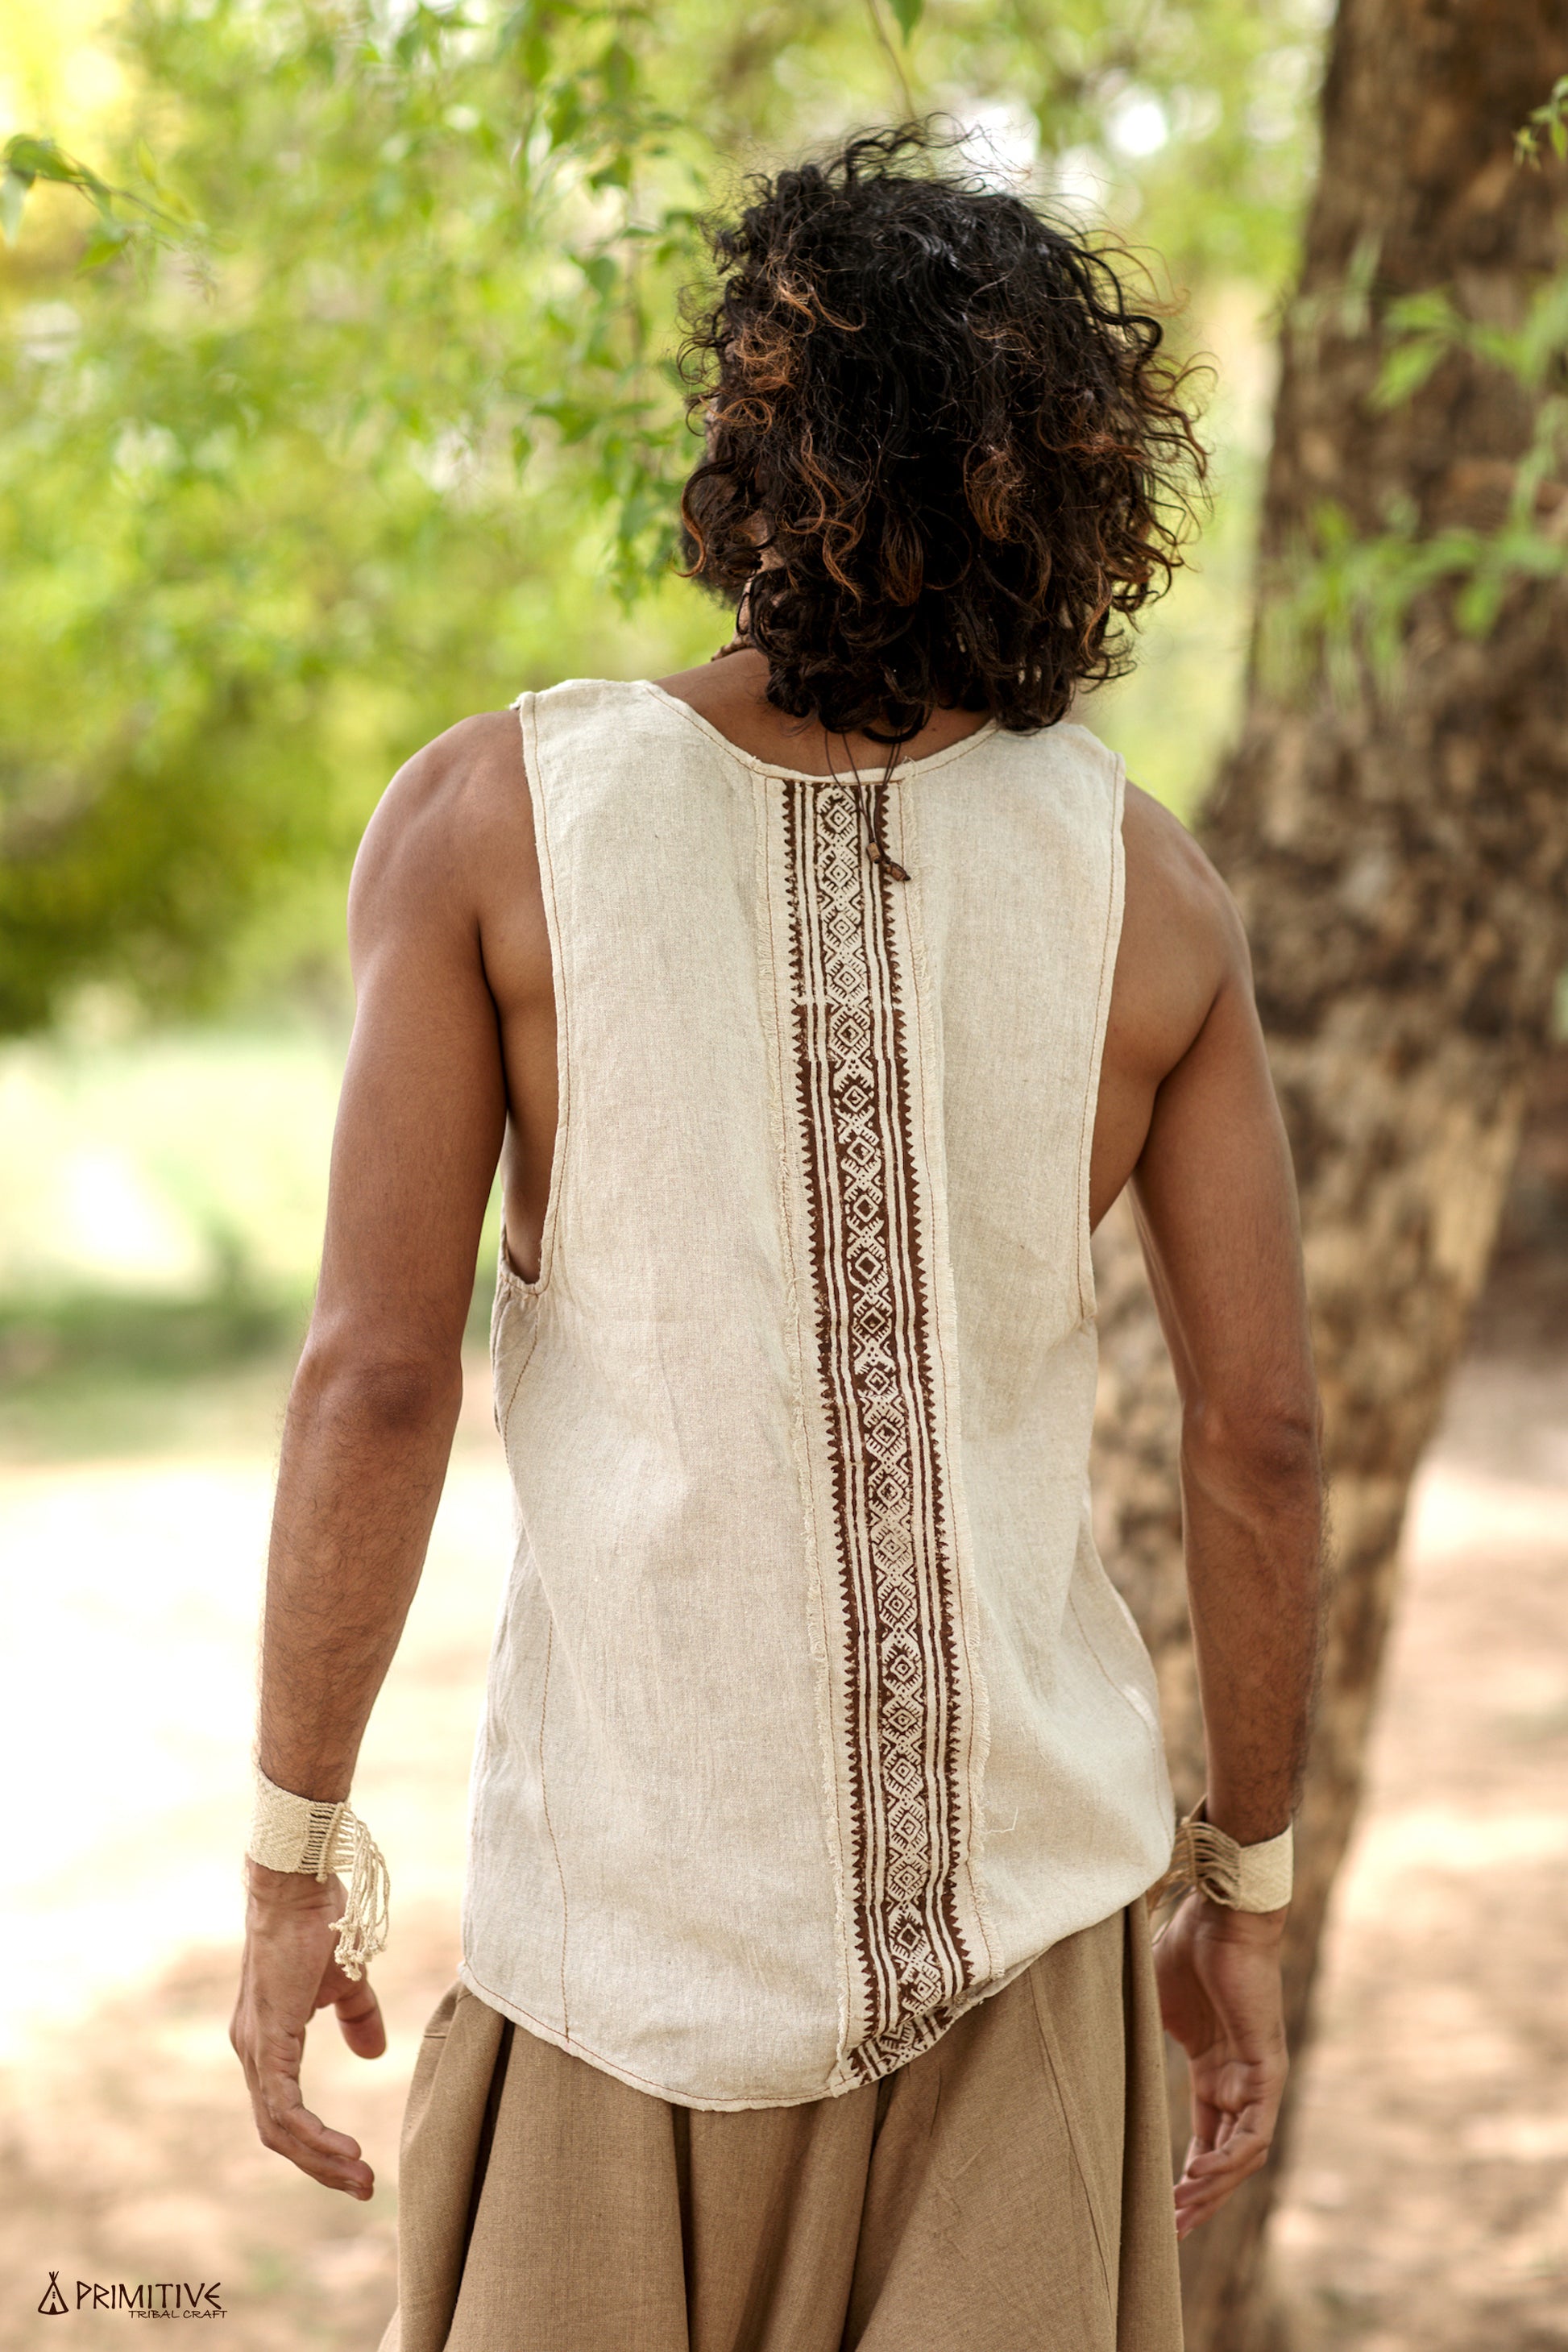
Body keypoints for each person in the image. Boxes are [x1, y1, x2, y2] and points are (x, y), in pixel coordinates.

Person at [230, 127, 1323, 2352]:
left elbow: (375, 1373)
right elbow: (1265, 1438)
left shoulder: (489, 822)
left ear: (752, 450)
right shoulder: (1149, 893)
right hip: (1018, 1969)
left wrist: (290, 1855)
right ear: (1064, 491)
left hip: (615, 1949)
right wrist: (1249, 1890)